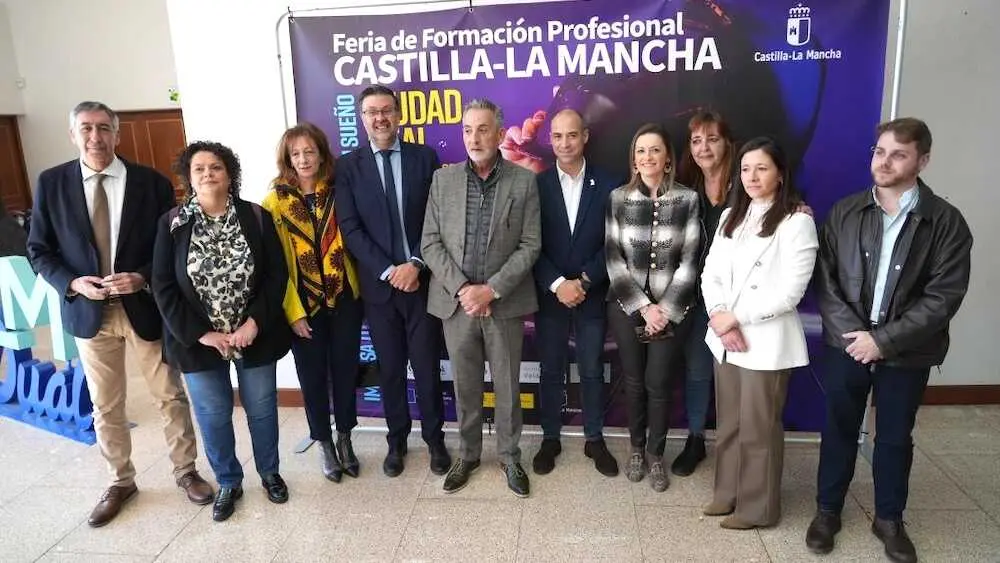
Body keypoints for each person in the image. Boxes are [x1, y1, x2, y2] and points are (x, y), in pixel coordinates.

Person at [26, 101, 212, 527]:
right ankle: (120, 481)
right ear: (73, 134)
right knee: (105, 404)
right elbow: (39, 251)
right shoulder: (52, 183)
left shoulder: (151, 183)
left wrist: (143, 278)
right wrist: (74, 283)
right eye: (87, 129)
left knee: (170, 394)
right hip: (89, 312)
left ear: (117, 134)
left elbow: (171, 251)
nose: (96, 137)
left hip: (143, 307)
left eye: (104, 128)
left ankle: (186, 472)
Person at [806, 118, 973, 563]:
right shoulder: (845, 212)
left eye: (898, 154)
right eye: (879, 151)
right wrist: (855, 338)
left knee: (895, 437)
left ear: (923, 160)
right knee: (839, 428)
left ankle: (889, 519)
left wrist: (883, 341)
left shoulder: (946, 222)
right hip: (847, 347)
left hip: (907, 352)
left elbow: (944, 297)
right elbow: (827, 281)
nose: (884, 161)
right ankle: (827, 512)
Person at [152, 141, 291, 522]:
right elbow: (162, 285)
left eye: (215, 167)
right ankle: (229, 481)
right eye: (199, 169)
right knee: (213, 414)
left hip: (253, 334)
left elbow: (276, 275)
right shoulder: (172, 224)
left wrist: (254, 323)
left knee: (261, 410)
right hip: (199, 342)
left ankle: (269, 473)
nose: (208, 174)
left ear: (229, 174)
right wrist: (201, 334)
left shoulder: (256, 217)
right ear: (188, 178)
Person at [421, 99, 541, 497]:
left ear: (499, 131)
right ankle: (468, 454)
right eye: (468, 130)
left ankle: (509, 456)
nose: (475, 138)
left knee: (507, 386)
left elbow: (530, 244)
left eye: (483, 129)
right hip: (456, 305)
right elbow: (430, 243)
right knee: (466, 385)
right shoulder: (443, 181)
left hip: (503, 302)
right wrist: (464, 290)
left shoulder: (523, 181)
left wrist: (490, 290)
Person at [700, 137, 818, 529]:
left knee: (759, 427)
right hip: (725, 341)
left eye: (762, 168)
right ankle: (727, 493)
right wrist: (719, 315)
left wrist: (735, 319)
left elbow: (790, 291)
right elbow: (710, 273)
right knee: (730, 422)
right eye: (746, 168)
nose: (751, 176)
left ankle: (758, 508)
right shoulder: (730, 216)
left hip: (765, 343)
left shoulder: (797, 222)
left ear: (780, 174)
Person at [336, 85, 450, 478]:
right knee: (390, 369)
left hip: (422, 282)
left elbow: (438, 218)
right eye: (371, 112)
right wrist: (389, 270)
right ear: (363, 119)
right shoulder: (347, 167)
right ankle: (397, 438)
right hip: (380, 289)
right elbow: (351, 230)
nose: (380, 118)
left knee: (426, 366)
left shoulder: (425, 158)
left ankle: (435, 439)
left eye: (386, 110)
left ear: (399, 115)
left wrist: (415, 264)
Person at [262, 123, 363, 482]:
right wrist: (292, 313)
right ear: (287, 159)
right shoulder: (275, 201)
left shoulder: (339, 191)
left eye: (309, 151)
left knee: (345, 371)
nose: (304, 159)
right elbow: (273, 264)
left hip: (344, 300)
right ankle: (323, 442)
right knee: (313, 377)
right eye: (296, 154)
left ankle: (346, 438)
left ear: (321, 153)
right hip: (302, 307)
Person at [605, 123, 701, 492]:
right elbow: (613, 259)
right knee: (633, 383)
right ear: (634, 158)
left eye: (655, 150)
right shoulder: (618, 198)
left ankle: (657, 455)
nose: (647, 157)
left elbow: (691, 262)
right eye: (641, 150)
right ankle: (636, 449)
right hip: (628, 308)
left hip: (672, 312)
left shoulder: (687, 200)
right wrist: (645, 308)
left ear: (668, 159)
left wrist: (664, 310)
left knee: (659, 385)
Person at [530, 108, 619, 477]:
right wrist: (557, 284)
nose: (564, 143)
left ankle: (594, 438)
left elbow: (615, 242)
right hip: (550, 295)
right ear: (550, 141)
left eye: (571, 135)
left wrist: (583, 282)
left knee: (592, 368)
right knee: (550, 369)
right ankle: (550, 437)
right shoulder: (536, 185)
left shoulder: (610, 183)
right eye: (557, 137)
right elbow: (528, 244)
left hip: (591, 292)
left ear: (585, 136)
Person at [672, 110, 737, 477]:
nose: (704, 147)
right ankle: (696, 438)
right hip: (693, 299)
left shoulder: (745, 187)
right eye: (697, 140)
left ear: (727, 142)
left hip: (736, 301)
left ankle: (736, 443)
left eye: (712, 139)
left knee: (736, 375)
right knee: (697, 371)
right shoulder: (686, 189)